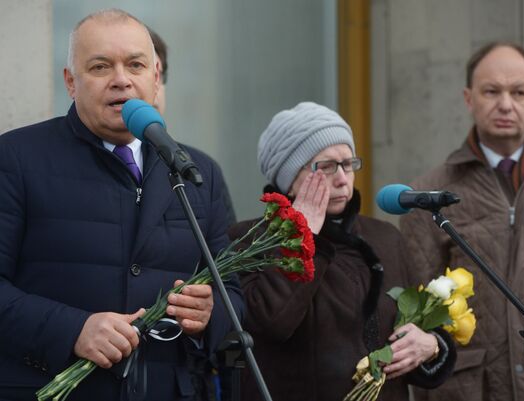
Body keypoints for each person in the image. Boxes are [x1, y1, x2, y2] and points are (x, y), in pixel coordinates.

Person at [0, 8, 243, 401]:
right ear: (70, 82)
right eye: (100, 67)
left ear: (155, 73)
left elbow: (232, 293)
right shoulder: (15, 158)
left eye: (135, 64)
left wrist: (210, 313)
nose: (121, 80)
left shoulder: (198, 171)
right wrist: (72, 330)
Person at [228, 102, 456, 401]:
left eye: (348, 164)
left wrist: (431, 345)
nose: (342, 178)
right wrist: (303, 234)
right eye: (326, 166)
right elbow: (273, 324)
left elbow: (413, 330)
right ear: (289, 178)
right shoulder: (249, 241)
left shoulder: (385, 238)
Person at [400, 42, 524, 401]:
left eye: (518, 92)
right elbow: (417, 316)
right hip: (469, 389)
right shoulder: (429, 194)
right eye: (491, 91)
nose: (505, 104)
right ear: (469, 98)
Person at [147, 26, 236, 228]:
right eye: (138, 68)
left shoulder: (204, 170)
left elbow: (225, 255)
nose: (152, 89)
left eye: (158, 75)